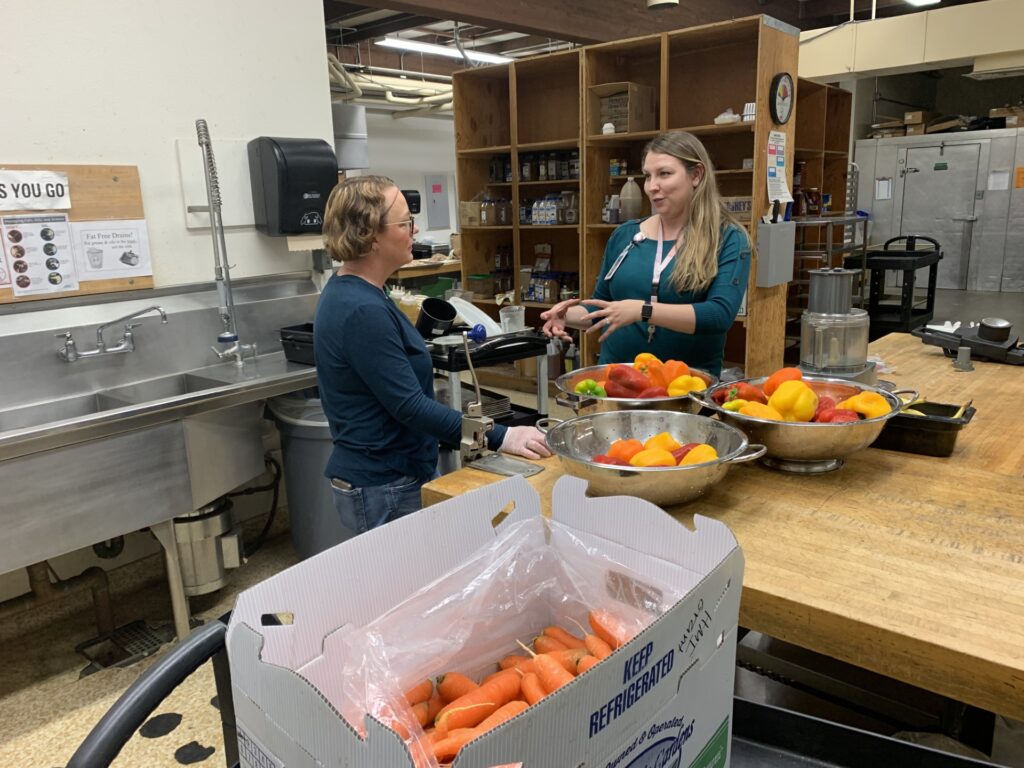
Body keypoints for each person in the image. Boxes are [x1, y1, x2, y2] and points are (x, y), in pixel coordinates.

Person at [314, 176, 550, 534]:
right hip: (384, 484)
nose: (415, 229)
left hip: (400, 473)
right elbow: (408, 406)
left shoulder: (362, 293)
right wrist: (502, 436)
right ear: (371, 235)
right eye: (406, 222)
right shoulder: (361, 309)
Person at [541, 131, 751, 377]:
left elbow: (719, 315)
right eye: (647, 176)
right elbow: (602, 306)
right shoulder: (625, 236)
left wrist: (644, 310)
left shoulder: (728, 238)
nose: (652, 187)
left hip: (684, 387)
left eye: (664, 174)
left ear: (696, 175)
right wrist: (567, 316)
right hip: (618, 380)